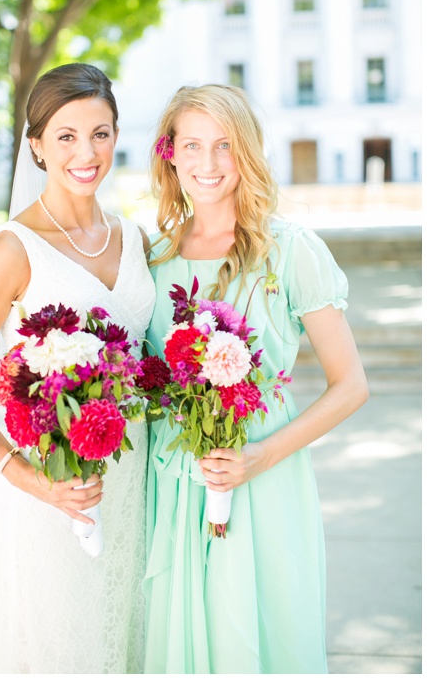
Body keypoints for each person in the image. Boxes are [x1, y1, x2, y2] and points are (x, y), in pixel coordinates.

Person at [140, 84, 366, 672]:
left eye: (224, 146)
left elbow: (351, 385)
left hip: (264, 473)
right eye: (192, 146)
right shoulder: (152, 258)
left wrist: (261, 457)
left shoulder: (290, 251)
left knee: (260, 634)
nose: (208, 164)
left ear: (248, 152)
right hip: (173, 477)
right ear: (170, 153)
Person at [0, 64, 152, 672]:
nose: (87, 153)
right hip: (53, 485)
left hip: (133, 482)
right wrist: (31, 479)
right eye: (66, 136)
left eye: (101, 133)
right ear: (35, 146)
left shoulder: (133, 238)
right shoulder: (13, 247)